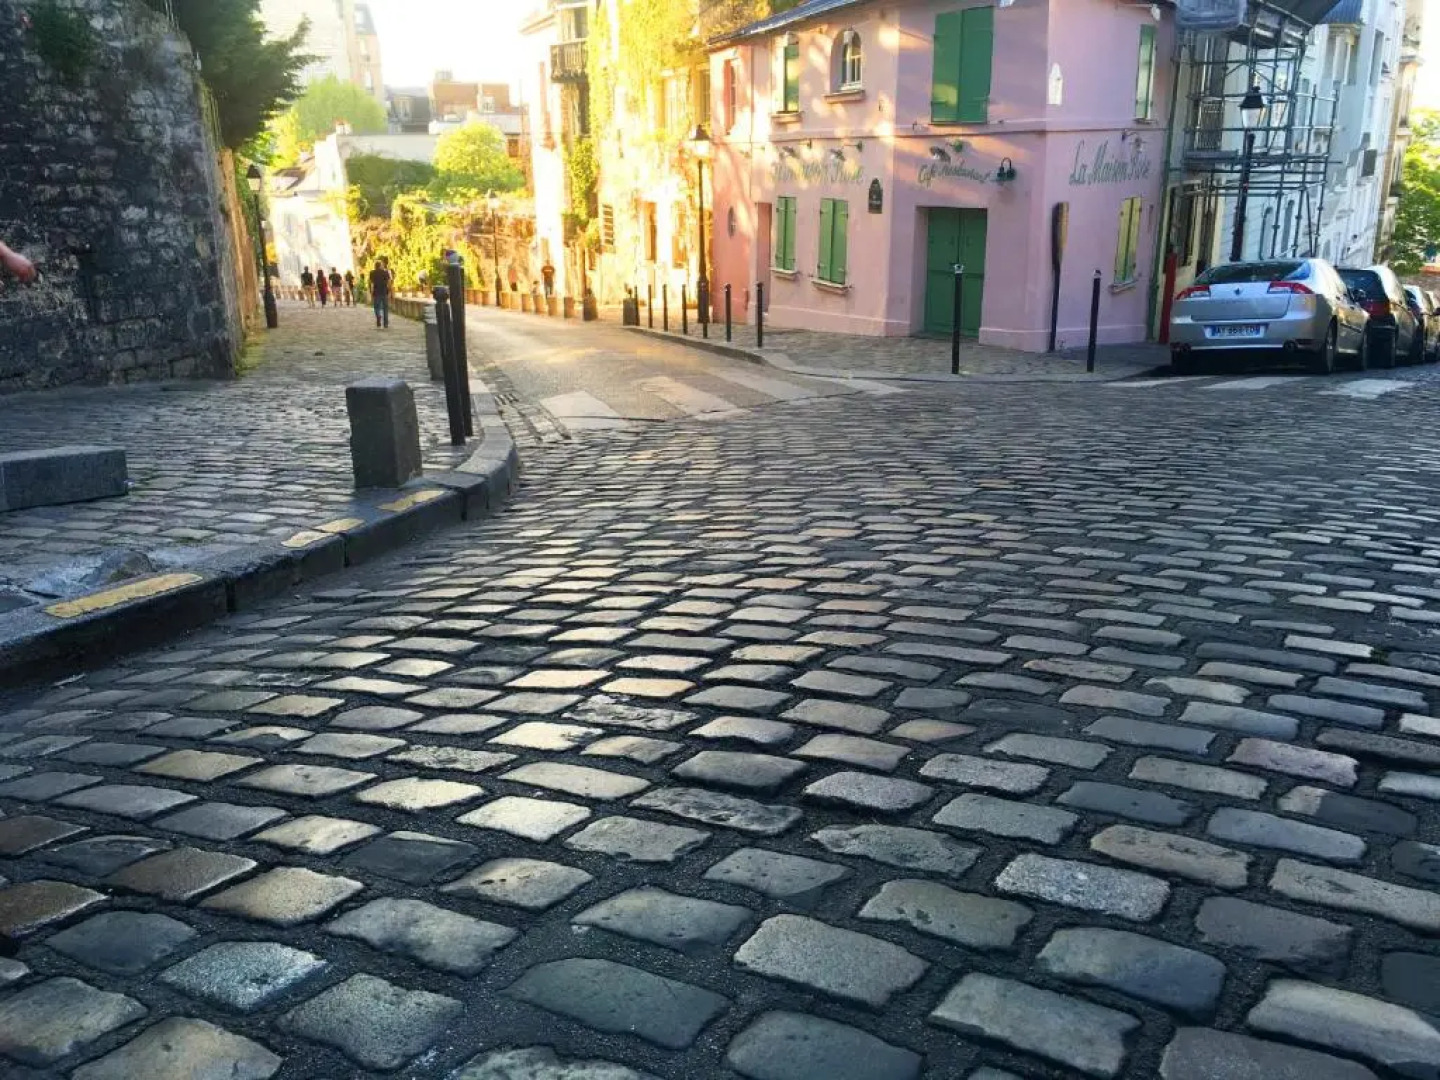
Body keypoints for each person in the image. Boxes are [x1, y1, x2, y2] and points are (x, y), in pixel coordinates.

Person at [369, 257, 392, 329]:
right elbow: (389, 282)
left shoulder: (372, 273)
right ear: (380, 265)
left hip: (376, 293)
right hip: (384, 292)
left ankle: (378, 316)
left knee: (376, 307)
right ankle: (386, 324)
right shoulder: (385, 272)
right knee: (385, 308)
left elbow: (372, 283)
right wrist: (389, 290)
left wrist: (371, 292)